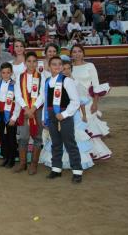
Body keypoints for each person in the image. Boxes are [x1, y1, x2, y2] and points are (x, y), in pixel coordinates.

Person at [43, 56, 83, 184]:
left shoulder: (67, 81)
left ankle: (77, 171)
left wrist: (65, 114)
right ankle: (56, 169)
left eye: (59, 64)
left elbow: (76, 101)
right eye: (54, 64)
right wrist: (46, 117)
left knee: (69, 142)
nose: (57, 66)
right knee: (56, 142)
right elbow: (45, 101)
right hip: (51, 115)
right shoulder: (47, 81)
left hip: (64, 116)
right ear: (49, 67)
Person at [70, 44, 111, 159]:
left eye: (79, 51)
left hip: (88, 103)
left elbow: (96, 86)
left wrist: (95, 103)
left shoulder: (90, 66)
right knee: (77, 129)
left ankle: (94, 153)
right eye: (74, 52)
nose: (77, 54)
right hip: (73, 104)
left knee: (89, 128)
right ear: (71, 54)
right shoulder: (69, 67)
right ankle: (82, 155)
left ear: (83, 53)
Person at [13, 52, 45, 174]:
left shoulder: (42, 77)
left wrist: (33, 108)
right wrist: (26, 108)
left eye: (34, 61)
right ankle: (22, 163)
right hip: (24, 111)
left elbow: (42, 95)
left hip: (37, 111)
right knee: (23, 137)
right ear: (25, 63)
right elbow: (18, 94)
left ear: (37, 63)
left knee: (37, 137)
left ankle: (34, 164)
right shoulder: (19, 77)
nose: (31, 64)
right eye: (29, 61)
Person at [0, 62, 20, 168]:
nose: (6, 75)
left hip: (10, 114)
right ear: (0, 73)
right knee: (2, 136)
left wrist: (14, 117)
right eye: (3, 73)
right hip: (0, 114)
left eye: (8, 72)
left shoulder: (15, 85)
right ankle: (6, 157)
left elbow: (18, 102)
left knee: (11, 137)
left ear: (11, 73)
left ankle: (12, 158)